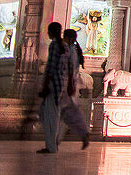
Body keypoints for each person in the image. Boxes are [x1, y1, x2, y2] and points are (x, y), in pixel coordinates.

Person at [37, 22, 70, 154]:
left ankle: (51, 145)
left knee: (50, 114)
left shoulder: (55, 45)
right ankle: (52, 142)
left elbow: (51, 66)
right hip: (61, 82)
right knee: (47, 113)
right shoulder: (65, 46)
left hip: (53, 83)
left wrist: (45, 84)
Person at [58, 28, 91, 149]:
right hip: (66, 84)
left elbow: (71, 69)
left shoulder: (70, 50)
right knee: (65, 112)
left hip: (67, 84)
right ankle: (82, 133)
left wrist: (71, 85)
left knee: (66, 111)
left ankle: (83, 132)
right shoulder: (70, 49)